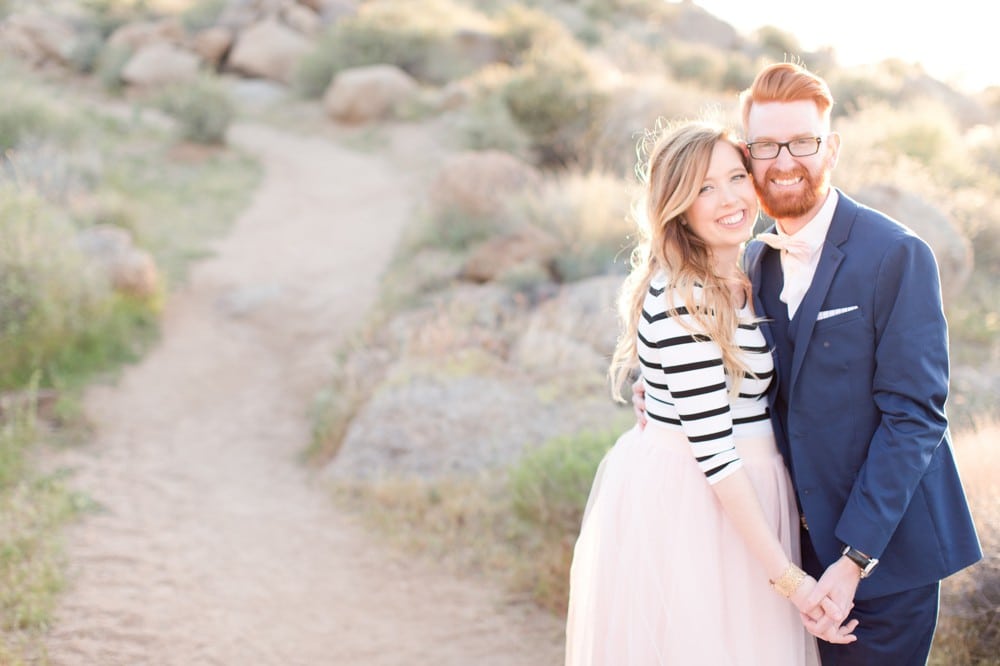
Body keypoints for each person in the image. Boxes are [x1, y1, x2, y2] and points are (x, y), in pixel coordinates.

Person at [635, 62, 983, 664]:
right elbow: (733, 370)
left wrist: (853, 561)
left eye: (802, 141)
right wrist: (660, 388)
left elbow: (915, 418)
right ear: (750, 155)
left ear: (832, 147)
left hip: (882, 555)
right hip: (786, 548)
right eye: (766, 146)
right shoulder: (752, 262)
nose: (784, 160)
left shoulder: (897, 255)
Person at [564, 120, 853, 666]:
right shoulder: (686, 295)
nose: (730, 199)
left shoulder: (743, 270)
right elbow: (716, 456)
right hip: (704, 508)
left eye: (737, 177)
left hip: (744, 500)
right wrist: (794, 583)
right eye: (703, 188)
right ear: (677, 205)